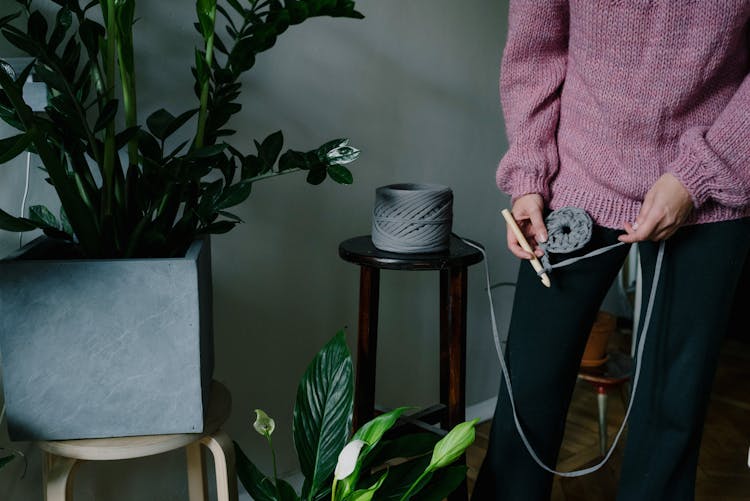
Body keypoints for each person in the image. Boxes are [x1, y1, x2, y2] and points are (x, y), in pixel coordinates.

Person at [472, 2, 750, 500]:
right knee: (527, 391)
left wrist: (698, 175)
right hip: (577, 176)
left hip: (712, 185)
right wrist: (529, 176)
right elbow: (536, 50)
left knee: (672, 408)